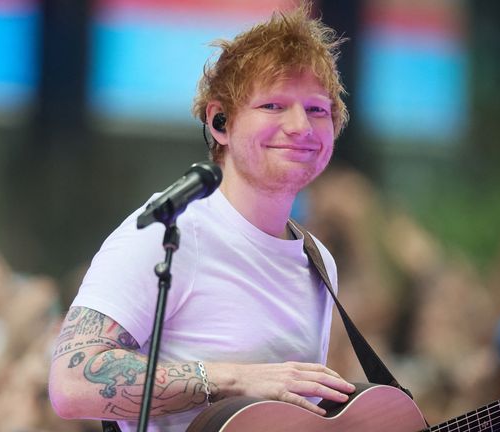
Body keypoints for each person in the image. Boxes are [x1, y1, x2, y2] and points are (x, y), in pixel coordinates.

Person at [49, 5, 356, 431]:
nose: (300, 125)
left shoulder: (317, 260)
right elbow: (70, 382)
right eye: (273, 105)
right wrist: (237, 378)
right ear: (220, 122)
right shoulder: (170, 231)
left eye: (317, 109)